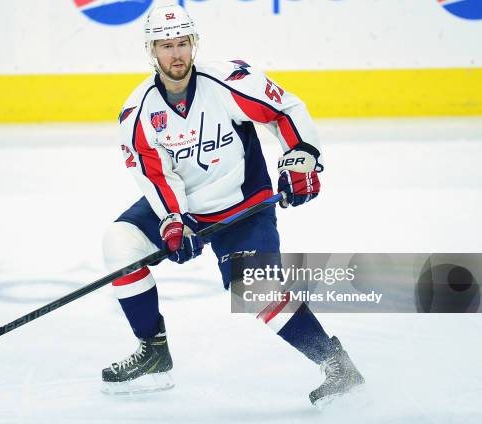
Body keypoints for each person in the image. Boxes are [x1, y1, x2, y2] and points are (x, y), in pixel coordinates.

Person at [101, 3, 364, 406]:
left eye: (183, 43)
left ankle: (336, 365)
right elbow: (157, 176)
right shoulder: (137, 113)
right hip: (184, 207)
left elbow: (285, 110)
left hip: (243, 206)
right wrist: (174, 221)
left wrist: (302, 158)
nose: (176, 54)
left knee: (258, 290)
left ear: (194, 44)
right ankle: (153, 350)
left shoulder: (227, 80)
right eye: (166, 45)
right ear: (151, 52)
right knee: (120, 243)